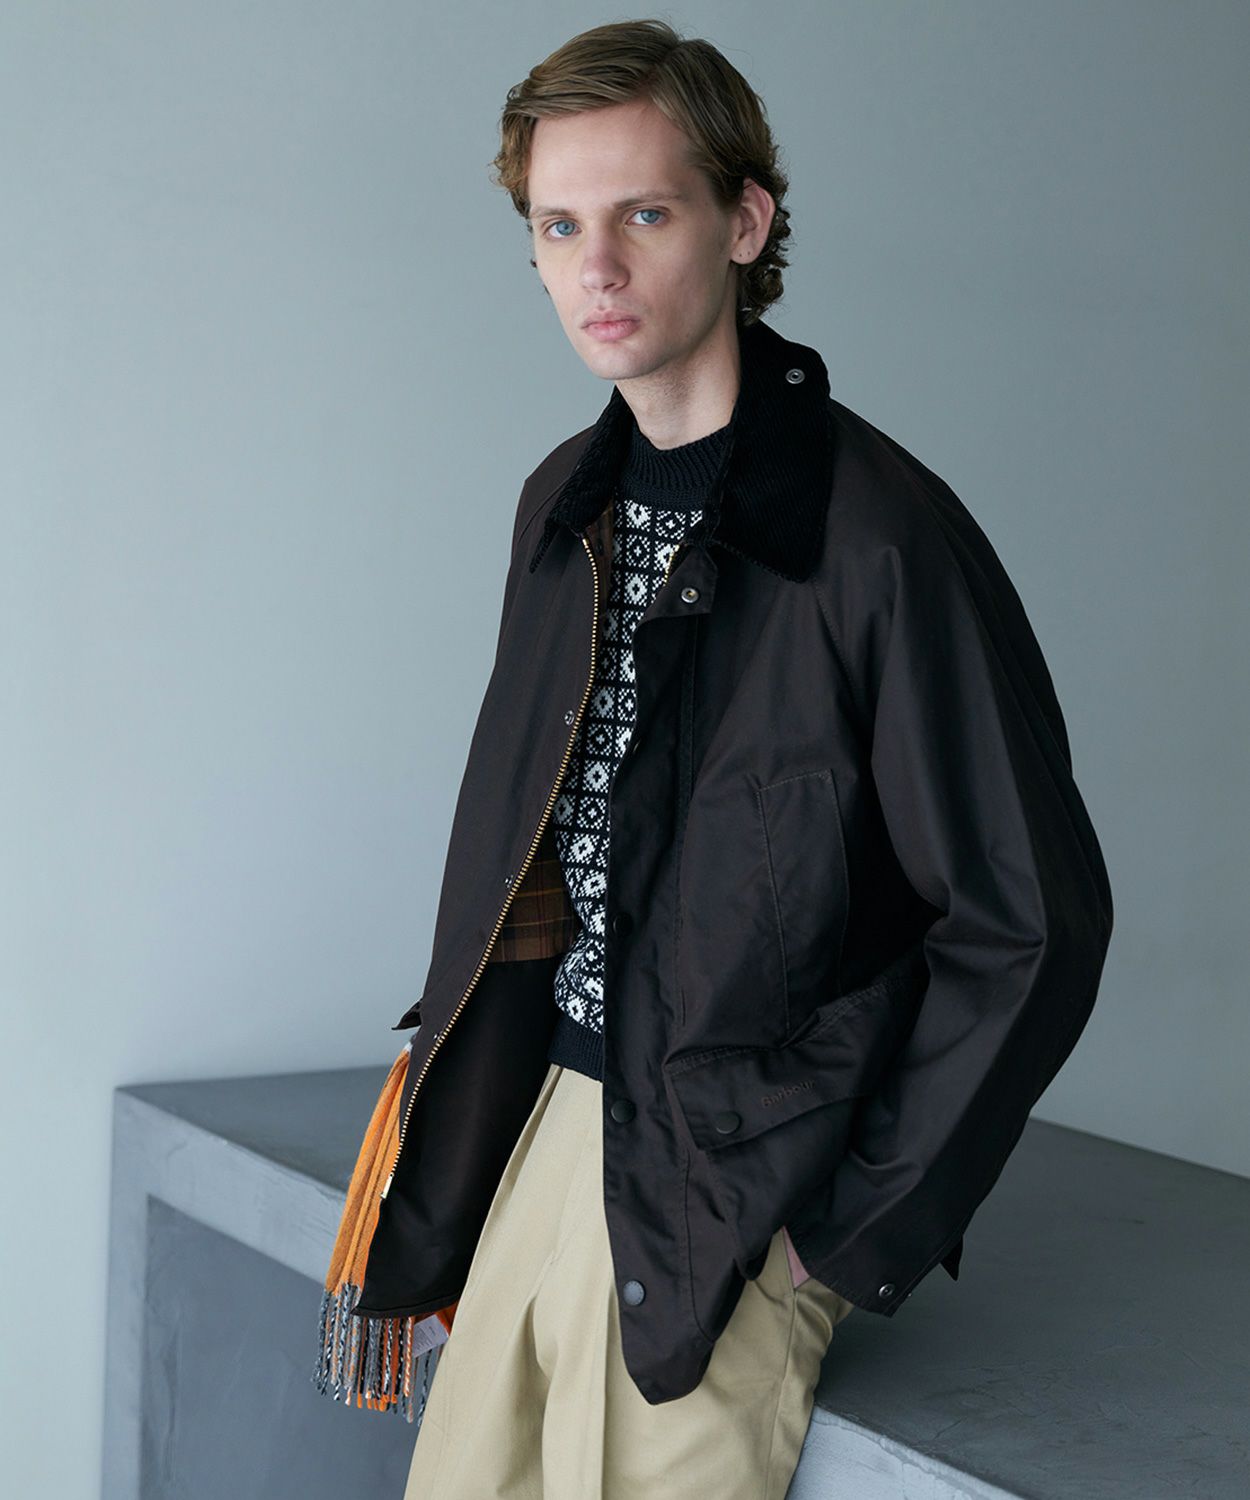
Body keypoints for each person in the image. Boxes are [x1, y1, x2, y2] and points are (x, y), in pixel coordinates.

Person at [316, 19, 1114, 1500]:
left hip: (734, 1201)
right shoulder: (563, 506)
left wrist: (843, 1237)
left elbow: (1030, 920)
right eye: (558, 225)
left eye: (644, 213)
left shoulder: (876, 539)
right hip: (544, 1131)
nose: (596, 269)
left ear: (744, 223)